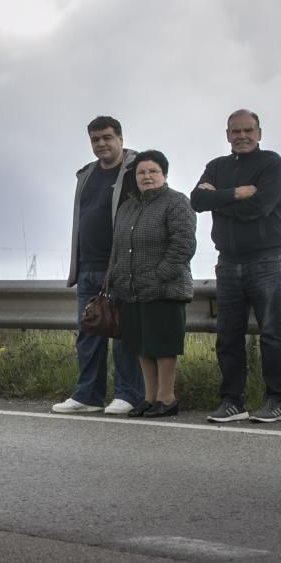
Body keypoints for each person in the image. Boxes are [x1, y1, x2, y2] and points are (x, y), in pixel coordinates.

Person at [191, 109, 281, 424]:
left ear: (259, 132)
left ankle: (276, 399)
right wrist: (236, 194)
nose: (242, 136)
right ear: (227, 134)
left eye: (248, 130)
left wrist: (220, 200)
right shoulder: (216, 166)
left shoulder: (272, 164)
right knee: (228, 335)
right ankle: (232, 401)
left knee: (273, 333)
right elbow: (196, 202)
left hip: (268, 260)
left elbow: (260, 208)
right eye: (235, 131)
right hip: (227, 262)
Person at [53, 116, 145, 414]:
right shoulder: (88, 174)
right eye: (95, 139)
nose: (101, 144)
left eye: (107, 137)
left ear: (120, 138)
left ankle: (128, 394)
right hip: (88, 266)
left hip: (120, 265)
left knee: (122, 332)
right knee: (89, 332)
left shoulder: (134, 170)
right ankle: (88, 395)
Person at [108, 150, 196, 418]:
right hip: (132, 290)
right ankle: (149, 397)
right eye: (141, 172)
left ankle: (167, 398)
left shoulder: (176, 202)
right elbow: (118, 247)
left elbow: (183, 244)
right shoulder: (127, 207)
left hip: (165, 289)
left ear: (164, 174)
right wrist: (116, 276)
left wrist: (160, 274)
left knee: (163, 345)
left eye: (153, 171)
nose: (147, 176)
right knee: (141, 345)